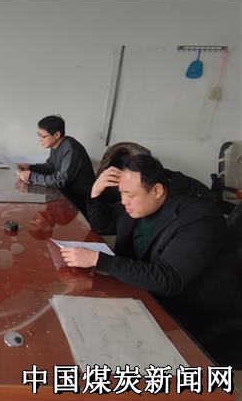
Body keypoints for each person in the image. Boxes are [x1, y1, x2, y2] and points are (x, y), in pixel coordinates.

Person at [60, 154, 242, 342]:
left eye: (130, 195)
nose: (124, 201)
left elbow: (167, 280)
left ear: (157, 190)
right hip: (142, 290)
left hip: (187, 311)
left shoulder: (200, 219)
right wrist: (96, 192)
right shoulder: (140, 203)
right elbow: (103, 226)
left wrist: (99, 260)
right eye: (121, 192)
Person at [17, 115, 95, 215]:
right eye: (39, 135)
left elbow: (60, 181)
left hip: (78, 201)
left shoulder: (71, 149)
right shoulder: (56, 145)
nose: (40, 139)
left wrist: (31, 176)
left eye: (43, 136)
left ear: (57, 134)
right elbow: (50, 167)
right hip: (64, 195)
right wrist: (31, 167)